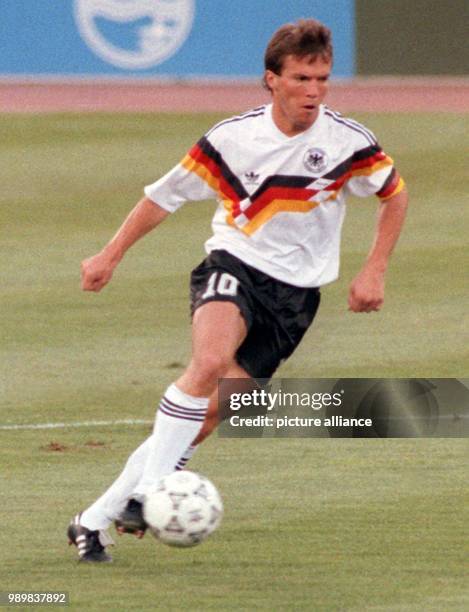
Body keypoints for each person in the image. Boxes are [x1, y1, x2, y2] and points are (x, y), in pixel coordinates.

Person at [67, 18, 408, 562]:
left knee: (207, 415)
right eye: (301, 78)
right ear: (272, 79)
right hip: (235, 266)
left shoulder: (348, 141)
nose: (314, 91)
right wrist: (110, 254)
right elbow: (163, 196)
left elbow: (394, 194)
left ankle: (94, 518)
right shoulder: (231, 139)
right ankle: (153, 491)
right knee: (208, 362)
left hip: (296, 299)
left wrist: (376, 269)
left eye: (322, 78)